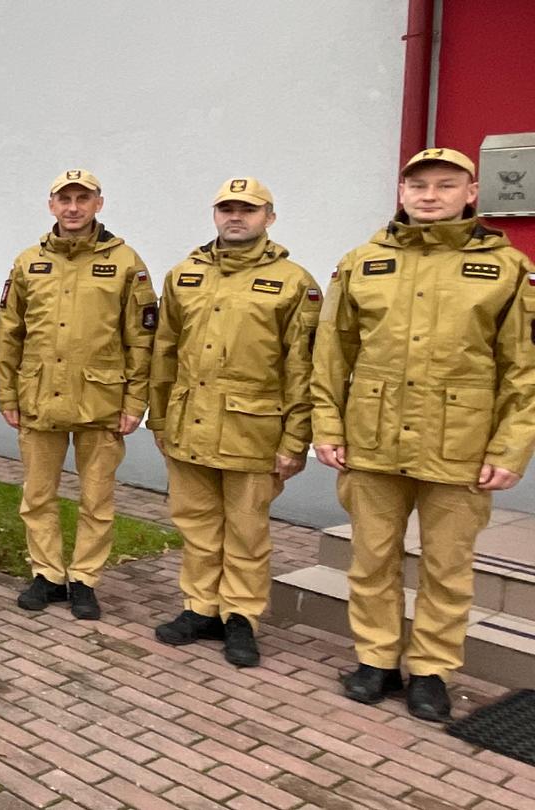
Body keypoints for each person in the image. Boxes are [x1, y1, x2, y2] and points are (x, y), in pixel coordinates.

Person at [313, 147, 535, 722]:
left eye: (445, 184)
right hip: (372, 440)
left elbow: (523, 369)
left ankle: (432, 669)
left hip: (459, 446)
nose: (430, 195)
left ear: (471, 192)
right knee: (372, 558)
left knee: (447, 565)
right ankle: (377, 658)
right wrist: (327, 427)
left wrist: (512, 446)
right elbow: (332, 354)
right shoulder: (362, 262)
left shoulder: (506, 267)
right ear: (402, 192)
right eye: (419, 185)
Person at [149, 178, 320, 668]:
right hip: (189, 424)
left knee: (246, 531)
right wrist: (158, 417)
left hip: (255, 431)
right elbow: (164, 352)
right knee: (198, 525)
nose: (235, 216)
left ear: (270, 215)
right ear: (215, 214)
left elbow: (302, 368)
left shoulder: (294, 282)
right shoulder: (184, 275)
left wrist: (295, 439)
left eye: (247, 208)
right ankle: (200, 607)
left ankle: (241, 617)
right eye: (226, 208)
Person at [0, 169, 156, 620]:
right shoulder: (29, 261)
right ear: (51, 206)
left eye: (81, 199)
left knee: (97, 498)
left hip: (100, 403)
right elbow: (10, 333)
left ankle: (84, 578)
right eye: (64, 199)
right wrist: (7, 394)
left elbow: (141, 340)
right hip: (39, 397)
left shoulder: (126, 263)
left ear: (98, 204)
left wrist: (134, 403)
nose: (73, 207)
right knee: (38, 494)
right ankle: (47, 574)